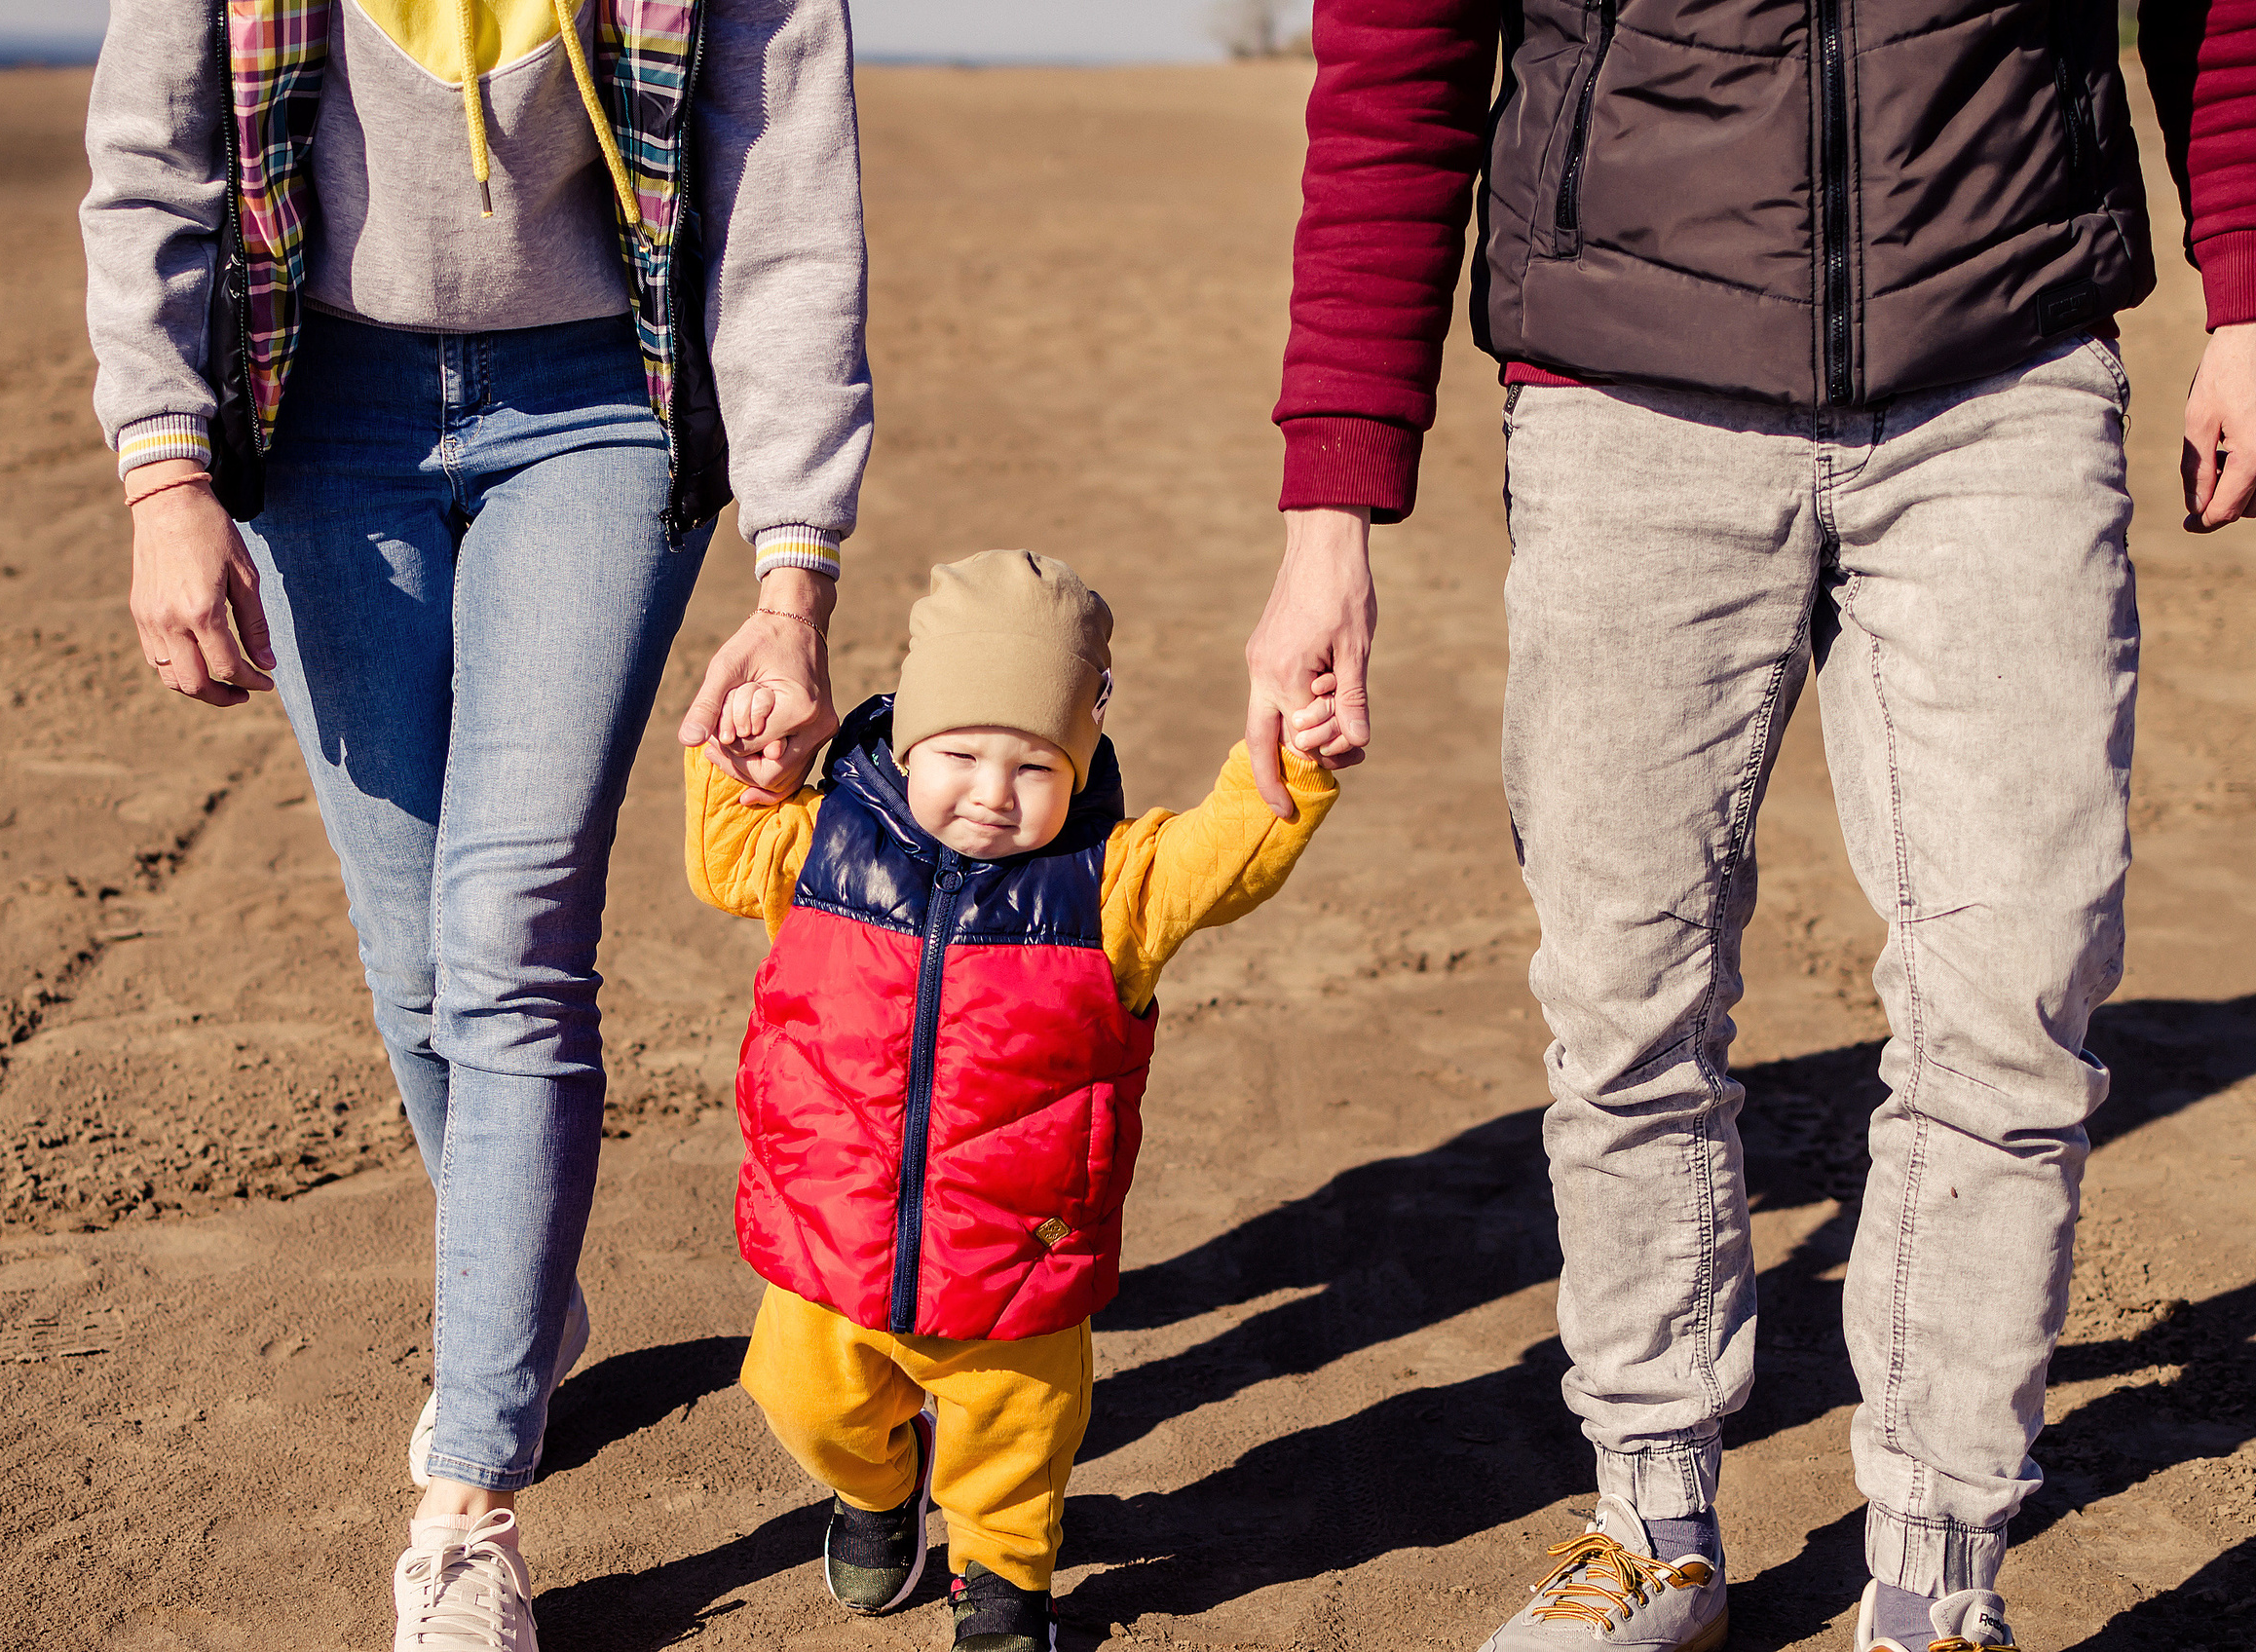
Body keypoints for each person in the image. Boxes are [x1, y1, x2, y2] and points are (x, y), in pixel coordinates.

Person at [1243, 0, 2256, 1647]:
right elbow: (1395, 67)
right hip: (1626, 395)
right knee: (1625, 998)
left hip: (2002, 368)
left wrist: (2251, 297)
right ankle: (1651, 1524)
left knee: (2013, 1005)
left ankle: (1937, 1579)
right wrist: (1330, 509)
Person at [79, 0, 866, 1645]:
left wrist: (794, 576)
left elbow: (785, 201)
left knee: (510, 933)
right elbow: (153, 162)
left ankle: (470, 1499)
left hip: (602, 410)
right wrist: (166, 478)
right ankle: (527, 1304)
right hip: (319, 409)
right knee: (417, 954)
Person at [684, 551, 1338, 1652]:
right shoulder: (823, 843)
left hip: (1015, 1260)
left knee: (1015, 1443)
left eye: (1035, 764)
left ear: (1079, 764)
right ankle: (880, 1487)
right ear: (906, 743)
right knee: (806, 1399)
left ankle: (1002, 1576)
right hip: (828, 1238)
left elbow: (1230, 852)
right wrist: (739, 761)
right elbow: (723, 859)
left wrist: (1294, 755)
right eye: (960, 753)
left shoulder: (1114, 885)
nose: (992, 791)